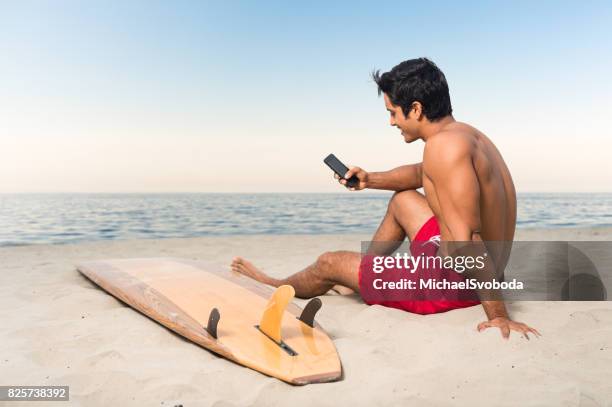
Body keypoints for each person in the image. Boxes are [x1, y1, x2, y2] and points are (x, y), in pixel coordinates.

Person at [232, 58, 540, 340]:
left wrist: (499, 316)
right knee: (403, 200)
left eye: (393, 113)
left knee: (329, 262)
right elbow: (422, 174)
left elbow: (468, 241)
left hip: (453, 285)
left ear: (416, 109)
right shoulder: (465, 136)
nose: (392, 122)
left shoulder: (442, 149)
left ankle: (275, 283)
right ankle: (366, 273)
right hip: (477, 270)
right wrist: (369, 180)